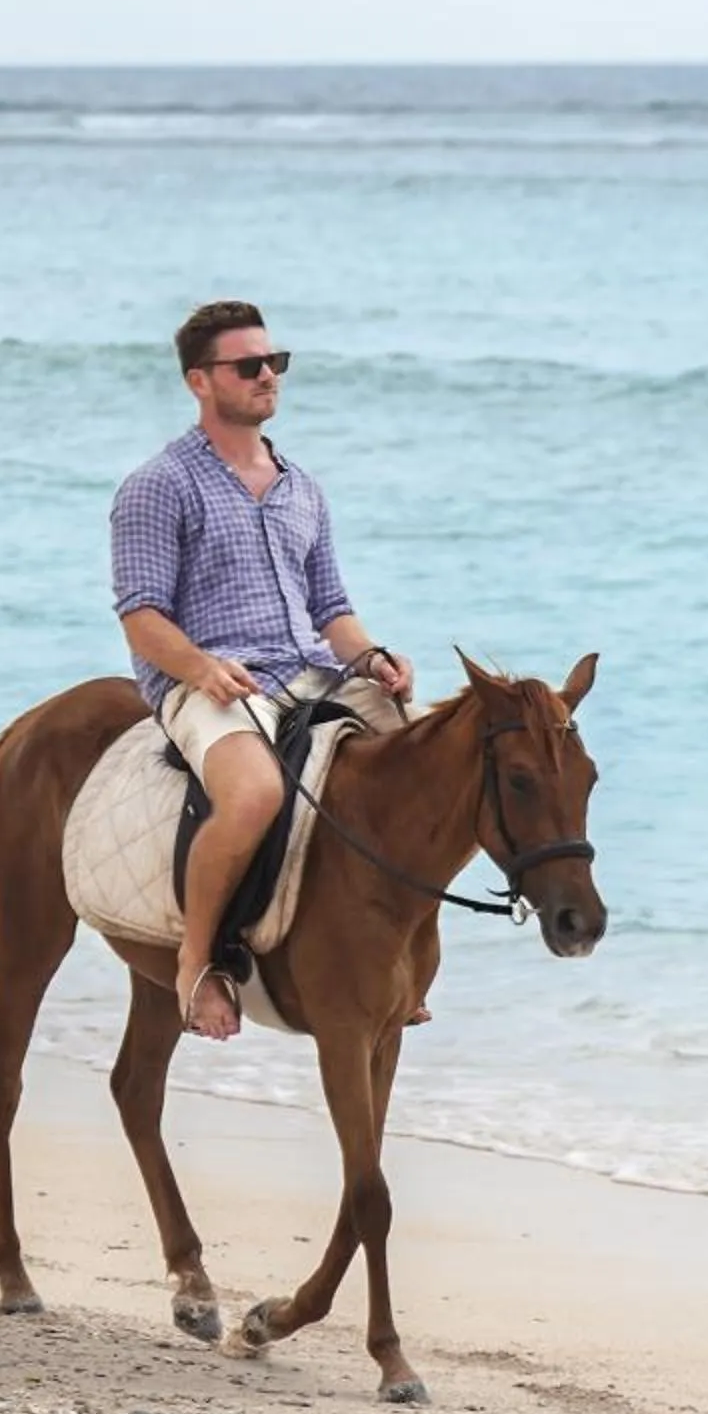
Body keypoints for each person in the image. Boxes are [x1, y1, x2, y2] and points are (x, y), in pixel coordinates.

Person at [109, 300, 415, 1042]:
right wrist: (201, 668)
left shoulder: (301, 487)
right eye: (248, 366)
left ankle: (407, 958)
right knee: (252, 794)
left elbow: (331, 606)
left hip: (309, 670)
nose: (267, 376)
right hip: (208, 679)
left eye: (274, 362)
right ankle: (197, 959)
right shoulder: (160, 485)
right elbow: (141, 615)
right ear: (199, 382)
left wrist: (371, 658)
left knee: (435, 761)